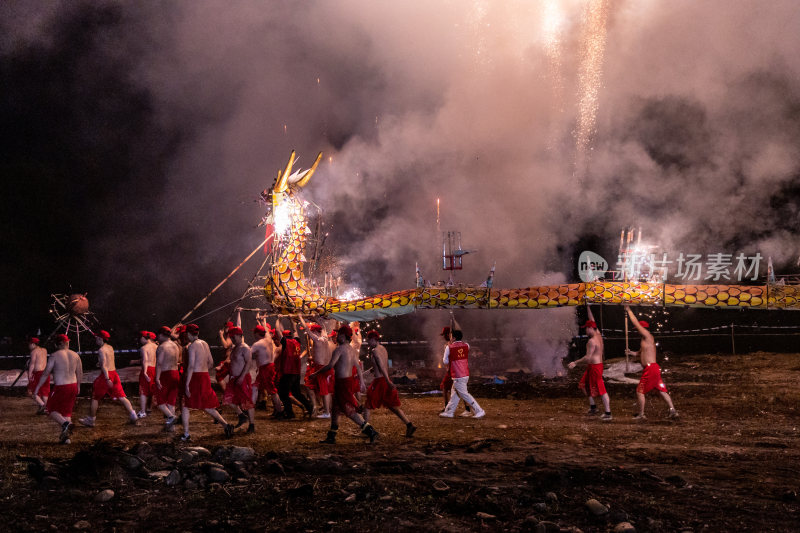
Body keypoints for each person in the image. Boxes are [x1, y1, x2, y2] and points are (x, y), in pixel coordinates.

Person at [311, 325, 378, 444]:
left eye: (339, 335)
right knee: (336, 409)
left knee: (349, 410)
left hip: (342, 383)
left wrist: (316, 373)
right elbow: (357, 366)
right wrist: (361, 381)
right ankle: (331, 435)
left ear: (343, 336)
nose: (337, 337)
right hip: (346, 381)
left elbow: (330, 365)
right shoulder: (351, 349)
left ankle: (369, 430)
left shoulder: (339, 349)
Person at [624, 306, 679, 420]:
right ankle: (673, 411)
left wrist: (629, 310)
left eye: (637, 329)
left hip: (650, 369)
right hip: (652, 368)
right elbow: (640, 354)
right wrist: (631, 353)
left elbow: (637, 323)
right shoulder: (644, 340)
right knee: (661, 390)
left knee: (640, 391)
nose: (636, 331)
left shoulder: (648, 336)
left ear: (643, 328)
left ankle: (641, 414)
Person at [181, 323, 234, 441]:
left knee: (185, 405)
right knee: (206, 405)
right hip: (204, 375)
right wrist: (203, 369)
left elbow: (190, 366)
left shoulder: (192, 346)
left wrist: (187, 384)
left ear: (188, 334)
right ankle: (226, 425)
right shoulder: (204, 343)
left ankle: (186, 434)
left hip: (195, 376)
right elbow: (211, 362)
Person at [79, 330, 139, 427]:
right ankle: (133, 415)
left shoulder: (101, 350)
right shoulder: (110, 347)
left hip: (106, 375)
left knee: (95, 397)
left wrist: (107, 379)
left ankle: (91, 420)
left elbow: (103, 365)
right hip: (114, 373)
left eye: (97, 338)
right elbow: (108, 361)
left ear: (100, 339)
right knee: (122, 397)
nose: (96, 340)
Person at [364, 330, 416, 437]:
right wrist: (361, 374)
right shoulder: (383, 349)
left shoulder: (374, 351)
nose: (368, 342)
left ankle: (366, 430)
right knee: (392, 406)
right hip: (385, 380)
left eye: (368, 340)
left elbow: (382, 367)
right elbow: (376, 367)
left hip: (380, 382)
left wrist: (387, 381)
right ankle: (409, 424)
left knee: (367, 405)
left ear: (373, 339)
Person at [34, 334, 82, 444]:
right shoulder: (76, 355)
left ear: (58, 344)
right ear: (66, 343)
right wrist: (79, 386)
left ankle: (66, 424)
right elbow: (80, 372)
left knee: (49, 410)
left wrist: (37, 388)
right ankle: (66, 438)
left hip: (61, 387)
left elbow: (46, 373)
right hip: (73, 386)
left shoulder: (54, 356)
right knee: (66, 413)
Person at [568, 306, 612, 421]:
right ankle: (593, 407)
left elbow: (587, 358)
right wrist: (588, 306)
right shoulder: (597, 334)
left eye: (586, 328)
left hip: (595, 368)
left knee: (602, 390)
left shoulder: (591, 341)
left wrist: (575, 363)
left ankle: (608, 413)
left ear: (590, 329)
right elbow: (592, 320)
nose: (585, 330)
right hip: (594, 367)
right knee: (583, 384)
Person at [439, 329, 485, 419]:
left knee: (464, 394)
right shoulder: (467, 345)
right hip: (465, 373)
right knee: (454, 394)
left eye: (451, 336)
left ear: (454, 338)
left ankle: (479, 411)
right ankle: (449, 411)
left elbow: (445, 361)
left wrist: (449, 350)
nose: (450, 338)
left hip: (457, 374)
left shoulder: (449, 347)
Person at [274, 318, 313, 419]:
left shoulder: (285, 342)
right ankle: (310, 407)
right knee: (296, 393)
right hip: (296, 372)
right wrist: (291, 320)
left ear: (285, 337)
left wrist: (278, 318)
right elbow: (295, 330)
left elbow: (277, 330)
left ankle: (290, 413)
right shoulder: (297, 341)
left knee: (283, 394)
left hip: (288, 372)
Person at [223, 326, 256, 433]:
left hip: (243, 378)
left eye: (234, 337)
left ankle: (252, 425)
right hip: (233, 378)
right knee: (228, 399)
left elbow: (249, 363)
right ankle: (241, 415)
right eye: (231, 337)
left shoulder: (244, 348)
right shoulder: (235, 348)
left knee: (247, 401)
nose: (232, 339)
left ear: (240, 336)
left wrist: (241, 377)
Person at [299, 316, 333, 418]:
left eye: (313, 332)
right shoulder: (325, 337)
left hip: (321, 368)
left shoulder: (318, 339)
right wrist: (317, 319)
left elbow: (306, 329)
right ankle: (325, 409)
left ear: (315, 332)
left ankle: (327, 412)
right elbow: (323, 327)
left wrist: (301, 317)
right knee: (323, 390)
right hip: (324, 367)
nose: (311, 335)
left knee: (324, 391)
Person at [252, 324, 283, 417]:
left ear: (257, 333)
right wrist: (262, 320)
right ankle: (250, 407)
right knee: (255, 387)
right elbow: (266, 331)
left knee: (272, 391)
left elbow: (247, 353)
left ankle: (280, 411)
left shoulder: (258, 344)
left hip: (266, 368)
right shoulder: (269, 339)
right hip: (266, 367)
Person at [154, 326, 181, 429]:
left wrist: (157, 378)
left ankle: (171, 416)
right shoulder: (175, 345)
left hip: (166, 374)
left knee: (159, 401)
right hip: (175, 373)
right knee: (171, 401)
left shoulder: (162, 347)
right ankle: (171, 428)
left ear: (161, 335)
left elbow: (159, 364)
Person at [26, 336, 50, 414]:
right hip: (46, 373)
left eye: (29, 344)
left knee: (32, 391)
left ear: (33, 344)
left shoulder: (34, 352)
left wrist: (29, 375)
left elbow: (32, 364)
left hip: (38, 373)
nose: (28, 346)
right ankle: (46, 408)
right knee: (44, 392)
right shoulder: (45, 350)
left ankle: (44, 406)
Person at [137, 331, 157, 418]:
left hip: (148, 369)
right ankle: (149, 409)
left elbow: (145, 360)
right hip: (155, 368)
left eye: (140, 338)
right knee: (152, 390)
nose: (140, 340)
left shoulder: (144, 348)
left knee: (143, 391)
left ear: (143, 337)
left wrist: (144, 372)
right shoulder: (157, 346)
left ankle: (142, 411)